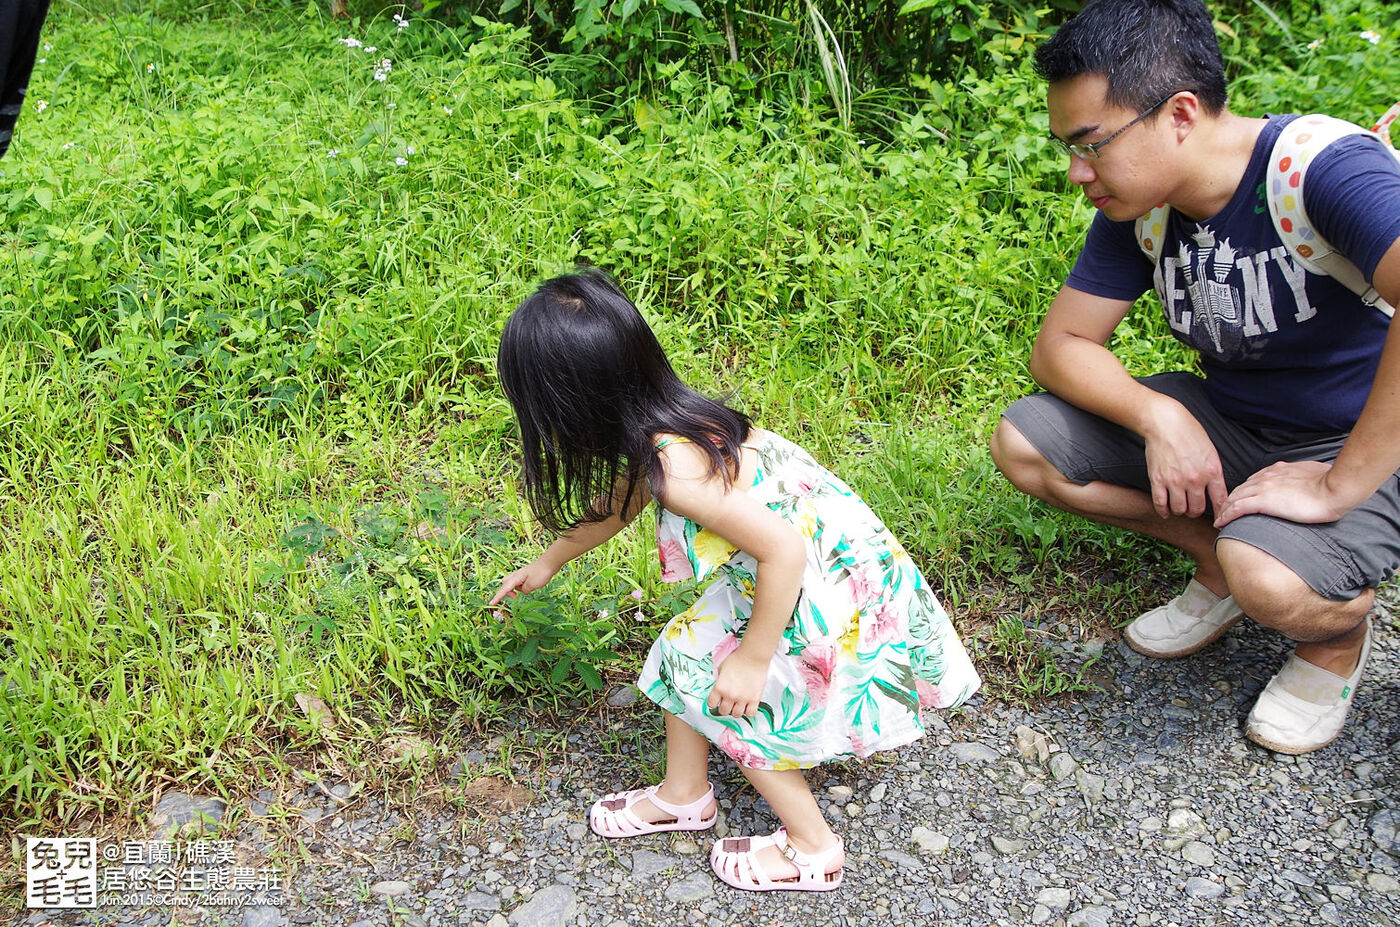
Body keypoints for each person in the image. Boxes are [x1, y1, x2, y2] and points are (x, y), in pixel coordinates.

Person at [989, 0, 1400, 756]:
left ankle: (1335, 638)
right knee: (1026, 443)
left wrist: (1338, 484)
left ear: (1179, 113)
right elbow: (1063, 346)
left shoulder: (1321, 172)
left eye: (1092, 144)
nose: (1078, 172)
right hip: (1238, 420)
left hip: (1362, 439)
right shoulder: (1143, 206)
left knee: (1271, 579)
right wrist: (1161, 418)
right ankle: (1218, 566)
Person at [490, 268, 980, 892]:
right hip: (822, 566)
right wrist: (551, 559)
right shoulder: (666, 424)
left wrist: (751, 660)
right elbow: (623, 500)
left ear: (571, 403)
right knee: (683, 653)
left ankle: (813, 846)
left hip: (814, 581)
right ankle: (684, 794)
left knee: (728, 693)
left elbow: (784, 551)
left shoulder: (679, 468)